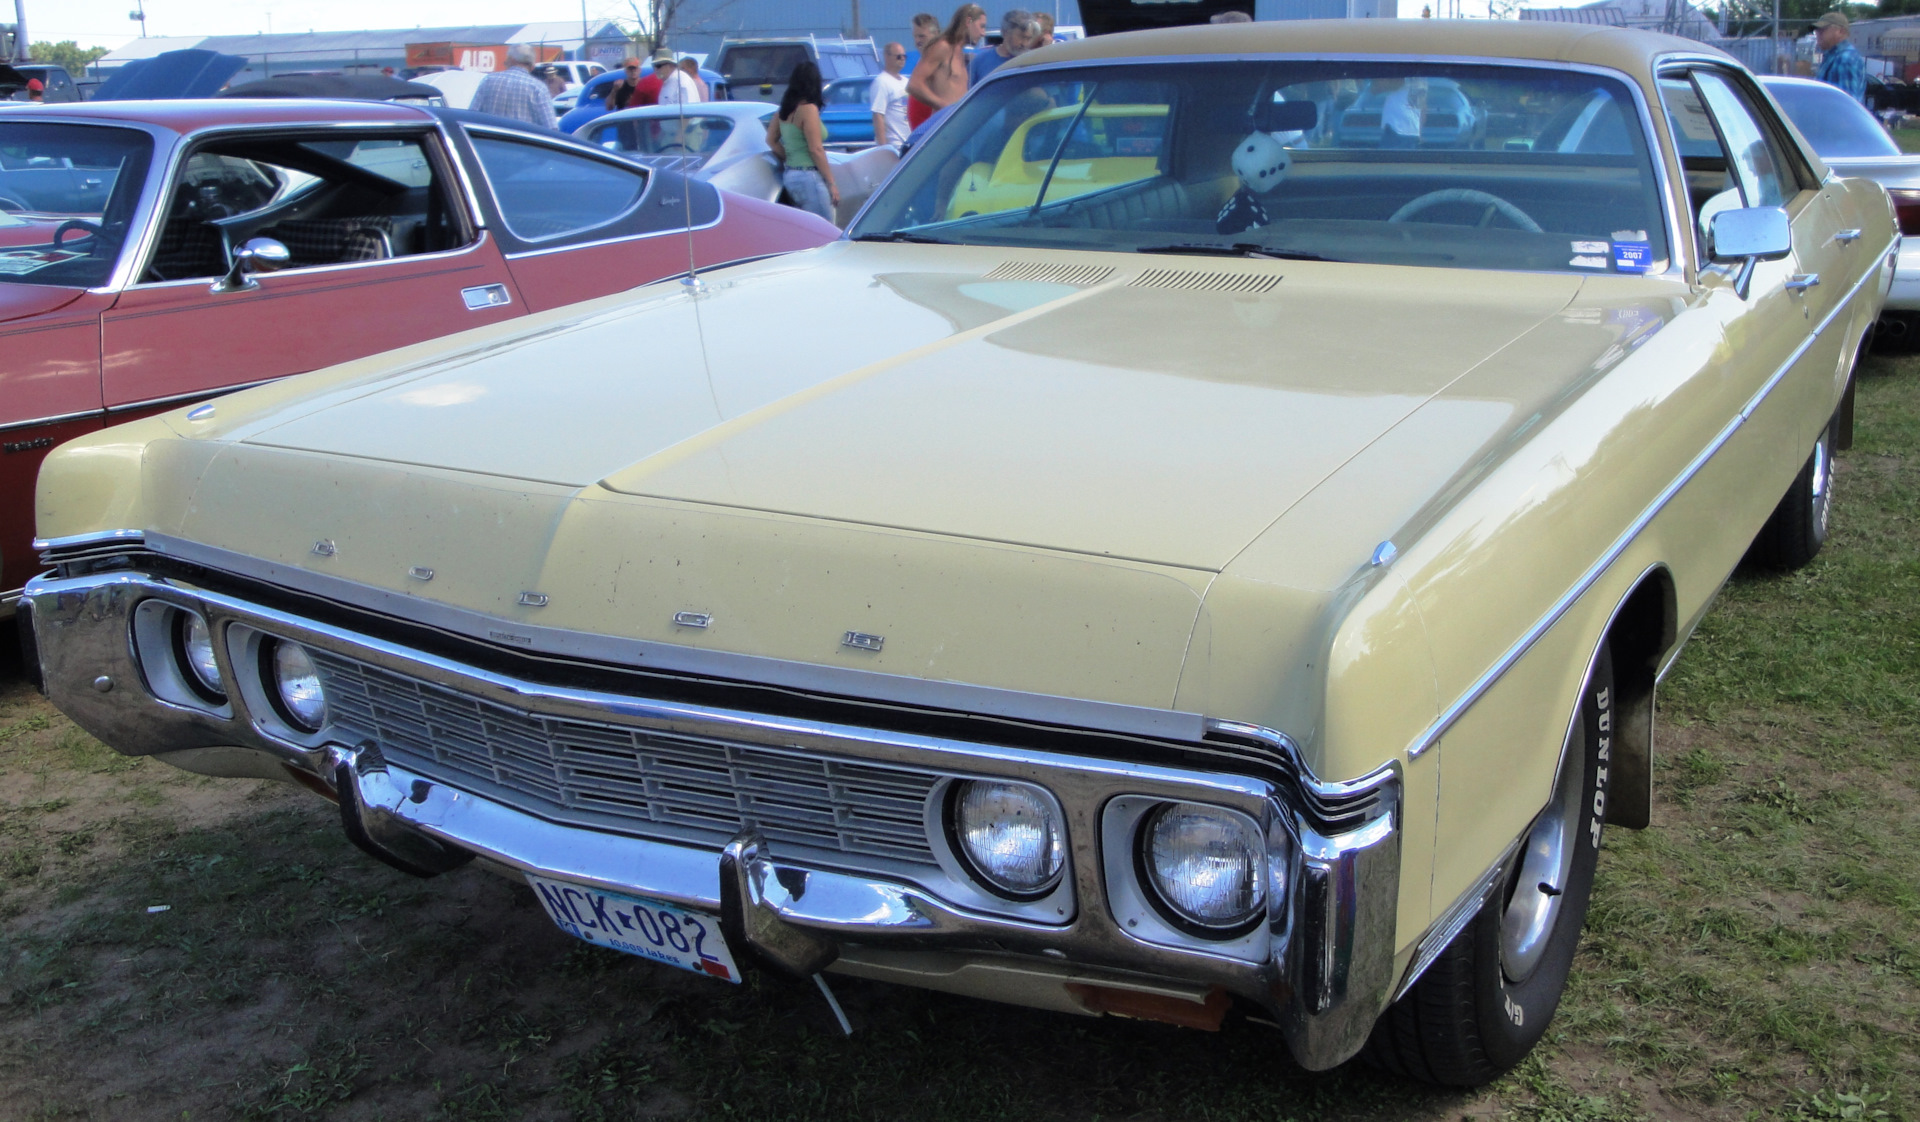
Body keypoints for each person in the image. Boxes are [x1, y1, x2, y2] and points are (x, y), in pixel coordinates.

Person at [767, 60, 839, 223]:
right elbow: (816, 150)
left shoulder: (784, 110)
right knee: (827, 231)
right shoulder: (808, 109)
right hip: (809, 177)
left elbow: (771, 140)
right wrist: (831, 182)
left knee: (806, 230)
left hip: (791, 176)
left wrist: (790, 158)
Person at [907, 4, 986, 130]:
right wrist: (945, 107)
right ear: (968, 22)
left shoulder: (959, 52)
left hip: (957, 128)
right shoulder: (942, 47)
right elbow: (914, 85)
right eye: (981, 26)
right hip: (942, 129)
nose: (983, 33)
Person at [470, 45, 559, 130]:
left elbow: (472, 116)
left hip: (487, 143)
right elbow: (551, 127)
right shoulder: (538, 88)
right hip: (522, 144)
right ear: (532, 66)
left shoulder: (488, 81)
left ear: (511, 60)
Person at [969, 10, 1035, 86]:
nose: (1024, 44)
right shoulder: (980, 62)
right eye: (1021, 37)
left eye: (1028, 38)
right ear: (1005, 32)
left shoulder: (1033, 63)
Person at [1813, 12, 1866, 105]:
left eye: (1823, 30)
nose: (1818, 33)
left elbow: (1846, 105)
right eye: (1817, 30)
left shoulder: (1845, 59)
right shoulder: (1833, 57)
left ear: (1841, 31)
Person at [871, 42, 911, 147]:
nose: (902, 59)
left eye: (904, 56)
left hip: (909, 143)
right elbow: (878, 115)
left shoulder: (906, 81)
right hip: (895, 145)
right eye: (898, 56)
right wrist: (883, 148)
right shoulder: (881, 82)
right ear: (887, 57)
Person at [1377, 77, 1424, 149]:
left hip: (1408, 130)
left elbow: (1422, 106)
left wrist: (1420, 131)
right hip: (1396, 128)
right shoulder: (1398, 75)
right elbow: (1376, 89)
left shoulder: (1421, 80)